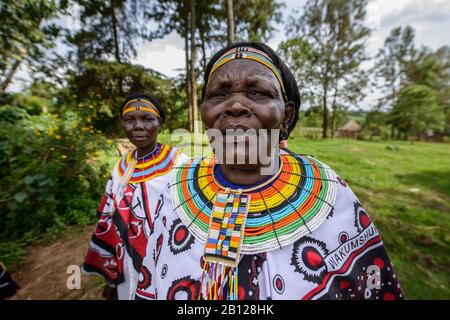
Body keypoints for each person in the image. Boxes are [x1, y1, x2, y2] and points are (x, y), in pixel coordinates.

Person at [134, 43, 404, 300]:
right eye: (219, 94)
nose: (235, 106)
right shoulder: (174, 191)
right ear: (204, 112)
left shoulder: (331, 195)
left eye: (258, 93)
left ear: (286, 117)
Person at [83, 93, 186, 299]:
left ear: (160, 123)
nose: (138, 126)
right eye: (130, 120)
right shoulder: (121, 167)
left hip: (167, 254)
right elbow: (110, 216)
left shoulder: (179, 164)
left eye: (147, 119)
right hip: (127, 257)